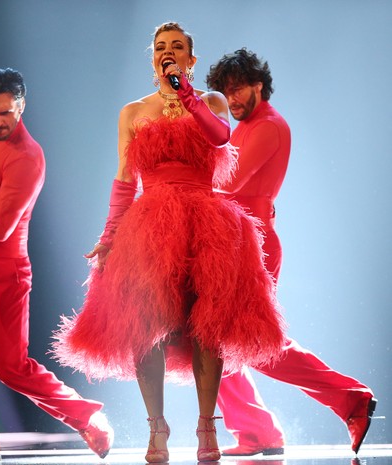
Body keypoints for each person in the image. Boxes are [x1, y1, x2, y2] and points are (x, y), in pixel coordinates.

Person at [52, 22, 286, 463]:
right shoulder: (133, 112)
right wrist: (108, 237)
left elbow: (221, 139)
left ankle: (205, 426)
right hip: (150, 223)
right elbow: (124, 181)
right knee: (145, 324)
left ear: (190, 61)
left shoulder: (210, 102)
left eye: (178, 47)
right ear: (152, 57)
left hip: (205, 220)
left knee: (207, 324)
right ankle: (156, 426)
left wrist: (187, 96)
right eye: (161, 47)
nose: (169, 53)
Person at [0, 68, 114, 463]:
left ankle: (86, 417)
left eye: (6, 113)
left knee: (9, 367)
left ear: (22, 105)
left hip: (3, 270)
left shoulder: (27, 157)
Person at [205, 48, 377, 456]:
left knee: (253, 344)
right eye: (227, 92)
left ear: (259, 84)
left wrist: (176, 191)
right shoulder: (247, 126)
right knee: (214, 342)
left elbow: (228, 183)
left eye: (240, 89)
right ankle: (257, 431)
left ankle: (347, 398)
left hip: (255, 243)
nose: (233, 100)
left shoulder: (270, 126)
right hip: (233, 240)